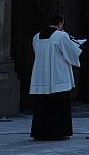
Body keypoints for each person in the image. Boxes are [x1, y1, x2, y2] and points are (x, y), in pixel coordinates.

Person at [29, 13, 84, 141]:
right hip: (57, 76)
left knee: (42, 105)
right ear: (60, 23)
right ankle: (58, 132)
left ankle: (40, 132)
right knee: (58, 105)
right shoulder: (61, 36)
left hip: (41, 76)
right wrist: (78, 45)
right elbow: (71, 53)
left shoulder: (37, 37)